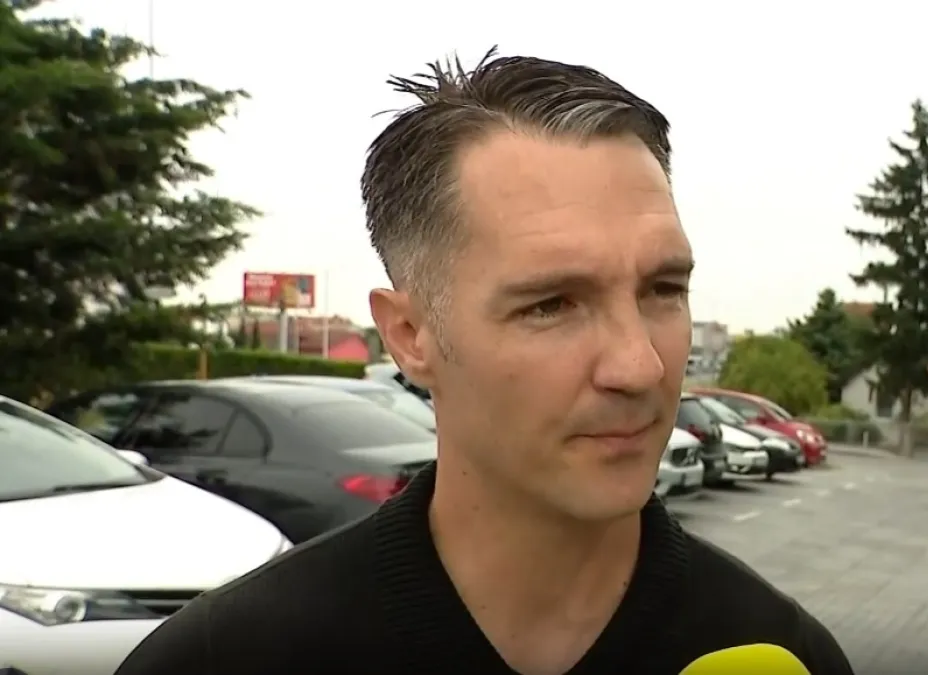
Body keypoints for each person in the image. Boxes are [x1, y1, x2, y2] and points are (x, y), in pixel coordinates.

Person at [114, 49, 856, 675]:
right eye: (552, 304)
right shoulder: (223, 658)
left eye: (663, 289)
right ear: (410, 335)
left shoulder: (785, 652)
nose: (640, 366)